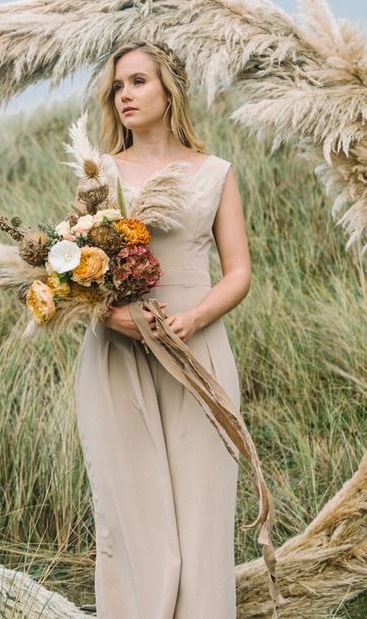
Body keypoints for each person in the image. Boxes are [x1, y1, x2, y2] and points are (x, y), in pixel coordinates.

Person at [72, 40, 251, 618]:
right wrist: (109, 313)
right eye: (118, 86)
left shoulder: (216, 173)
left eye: (138, 82)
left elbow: (240, 272)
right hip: (119, 357)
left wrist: (194, 317)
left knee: (202, 526)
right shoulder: (99, 174)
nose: (124, 94)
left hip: (197, 352)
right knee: (135, 527)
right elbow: (73, 270)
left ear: (170, 89)